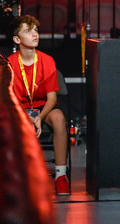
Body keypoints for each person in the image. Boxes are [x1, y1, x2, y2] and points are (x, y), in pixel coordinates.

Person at [6, 15, 71, 195]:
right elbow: (10, 98)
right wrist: (26, 116)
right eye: (28, 31)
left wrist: (39, 117)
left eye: (35, 30)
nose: (34, 34)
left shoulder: (47, 60)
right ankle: (25, 176)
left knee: (59, 119)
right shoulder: (9, 63)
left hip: (43, 107)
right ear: (17, 39)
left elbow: (51, 98)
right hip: (20, 108)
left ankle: (60, 176)